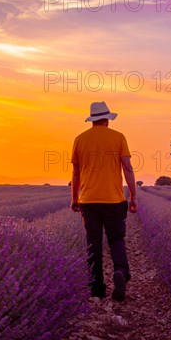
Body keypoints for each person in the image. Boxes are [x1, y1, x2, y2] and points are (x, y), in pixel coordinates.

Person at [70, 101, 138, 301]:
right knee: (116, 239)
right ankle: (121, 273)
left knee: (93, 243)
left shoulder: (80, 139)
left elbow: (75, 173)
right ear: (107, 119)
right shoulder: (118, 137)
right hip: (114, 200)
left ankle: (96, 288)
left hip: (89, 201)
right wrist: (133, 196)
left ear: (91, 120)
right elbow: (127, 167)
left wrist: (75, 198)